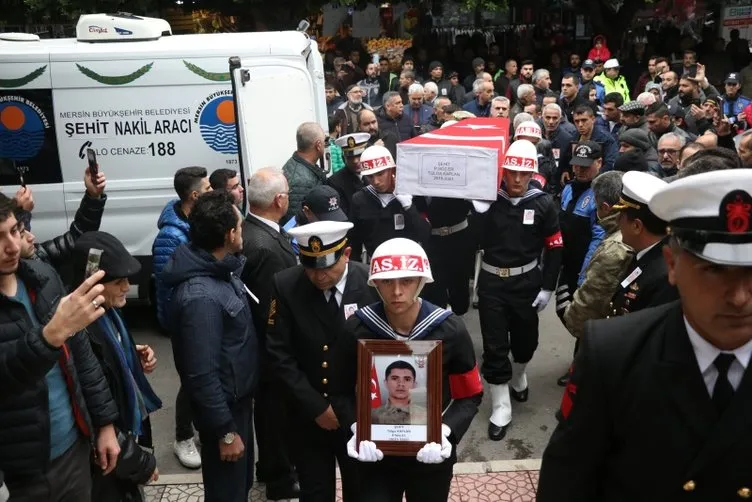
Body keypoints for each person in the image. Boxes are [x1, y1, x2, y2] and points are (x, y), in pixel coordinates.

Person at [538, 168, 752, 501]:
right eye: (714, 270)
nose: (739, 297)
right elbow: (567, 478)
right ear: (672, 263)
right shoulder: (612, 354)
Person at [0, 193, 120, 502]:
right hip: (20, 473)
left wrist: (105, 424)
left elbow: (82, 358)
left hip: (74, 451)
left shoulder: (42, 278)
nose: (13, 246)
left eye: (14, 231)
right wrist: (49, 336)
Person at [345, 237, 483, 502]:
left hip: (430, 452)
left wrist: (447, 430)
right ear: (375, 283)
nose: (397, 292)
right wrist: (354, 426)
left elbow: (470, 394)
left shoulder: (450, 330)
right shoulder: (357, 329)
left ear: (421, 281)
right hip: (375, 455)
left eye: (406, 281)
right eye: (387, 282)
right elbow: (340, 390)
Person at [266, 220, 378, 502]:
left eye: (327, 266)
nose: (318, 275)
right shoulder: (286, 285)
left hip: (359, 414)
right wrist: (316, 406)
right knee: (315, 493)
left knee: (362, 490)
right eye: (311, 266)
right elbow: (279, 354)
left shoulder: (370, 284)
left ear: (347, 253)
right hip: (307, 415)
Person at [164, 191, 258, 502]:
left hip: (237, 406)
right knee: (227, 494)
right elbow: (200, 374)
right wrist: (225, 432)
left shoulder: (219, 270)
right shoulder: (200, 297)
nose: (242, 232)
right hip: (224, 415)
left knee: (239, 489)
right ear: (230, 234)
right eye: (240, 227)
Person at [473, 140, 563, 440]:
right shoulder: (489, 199)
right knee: (495, 345)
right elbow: (473, 243)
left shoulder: (543, 203)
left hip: (526, 283)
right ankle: (501, 405)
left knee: (526, 342)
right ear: (503, 171)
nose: (516, 179)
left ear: (532, 174)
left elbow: (555, 247)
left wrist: (548, 287)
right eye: (511, 172)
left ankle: (520, 372)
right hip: (491, 283)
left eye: (523, 174)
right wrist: (479, 214)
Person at [72, 232, 162, 501]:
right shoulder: (81, 332)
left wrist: (129, 354)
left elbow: (111, 362)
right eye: (119, 281)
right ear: (94, 284)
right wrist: (140, 464)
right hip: (108, 462)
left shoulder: (108, 314)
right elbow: (97, 411)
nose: (127, 286)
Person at [239, 168, 299, 500]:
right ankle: (279, 478)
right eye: (287, 194)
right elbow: (272, 309)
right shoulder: (267, 248)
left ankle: (270, 467)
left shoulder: (251, 232)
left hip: (261, 349)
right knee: (275, 414)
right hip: (270, 351)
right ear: (279, 200)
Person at [152, 166, 209, 469]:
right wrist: (179, 323)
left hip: (198, 317)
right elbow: (166, 286)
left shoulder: (193, 222)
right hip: (184, 322)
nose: (214, 192)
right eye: (209, 188)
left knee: (202, 375)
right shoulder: (169, 236)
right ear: (195, 195)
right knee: (190, 379)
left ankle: (197, 428)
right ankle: (182, 437)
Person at [563, 171, 634, 339]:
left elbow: (586, 307)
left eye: (595, 204)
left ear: (605, 208)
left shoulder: (613, 249)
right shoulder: (631, 231)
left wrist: (568, 314)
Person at [609, 171, 678, 317]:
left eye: (621, 215)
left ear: (636, 226)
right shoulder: (646, 254)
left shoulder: (663, 277)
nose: (617, 221)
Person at [349, 145, 431, 261]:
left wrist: (409, 207)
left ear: (393, 170)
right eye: (370, 177)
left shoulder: (412, 194)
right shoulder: (359, 199)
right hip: (378, 264)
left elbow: (425, 234)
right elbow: (354, 241)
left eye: (380, 174)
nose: (376, 182)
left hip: (409, 262)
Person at [283, 122, 328, 224]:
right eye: (324, 141)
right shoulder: (302, 181)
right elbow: (294, 222)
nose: (325, 145)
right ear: (318, 145)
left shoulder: (295, 163)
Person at [371, 360, 428, 426]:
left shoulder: (427, 415)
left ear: (414, 384)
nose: (401, 384)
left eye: (407, 379)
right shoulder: (372, 415)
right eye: (395, 378)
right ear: (386, 383)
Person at [328, 132, 370, 217]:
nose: (355, 161)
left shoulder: (374, 175)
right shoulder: (335, 182)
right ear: (344, 159)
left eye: (359, 155)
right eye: (350, 157)